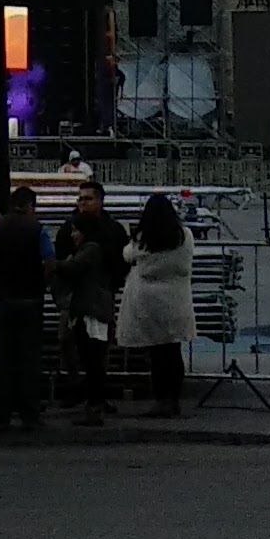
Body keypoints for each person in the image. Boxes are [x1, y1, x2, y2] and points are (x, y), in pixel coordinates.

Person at [52, 180, 131, 425]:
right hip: (77, 298)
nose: (82, 203)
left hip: (97, 296)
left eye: (87, 198)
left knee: (96, 349)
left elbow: (120, 261)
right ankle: (81, 389)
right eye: (80, 199)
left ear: (100, 200)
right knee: (70, 344)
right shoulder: (71, 227)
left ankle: (94, 395)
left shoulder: (111, 230)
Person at [0, 185, 51, 431]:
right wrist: (40, 285)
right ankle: (30, 413)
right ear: (31, 206)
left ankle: (2, 413)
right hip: (30, 300)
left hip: (2, 300)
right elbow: (49, 262)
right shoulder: (38, 229)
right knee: (29, 358)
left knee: (2, 358)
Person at [116, 191, 195, 418]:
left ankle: (161, 399)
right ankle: (174, 398)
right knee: (173, 350)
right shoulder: (185, 235)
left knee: (157, 353)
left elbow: (126, 256)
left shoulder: (143, 239)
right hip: (177, 298)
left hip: (148, 301)